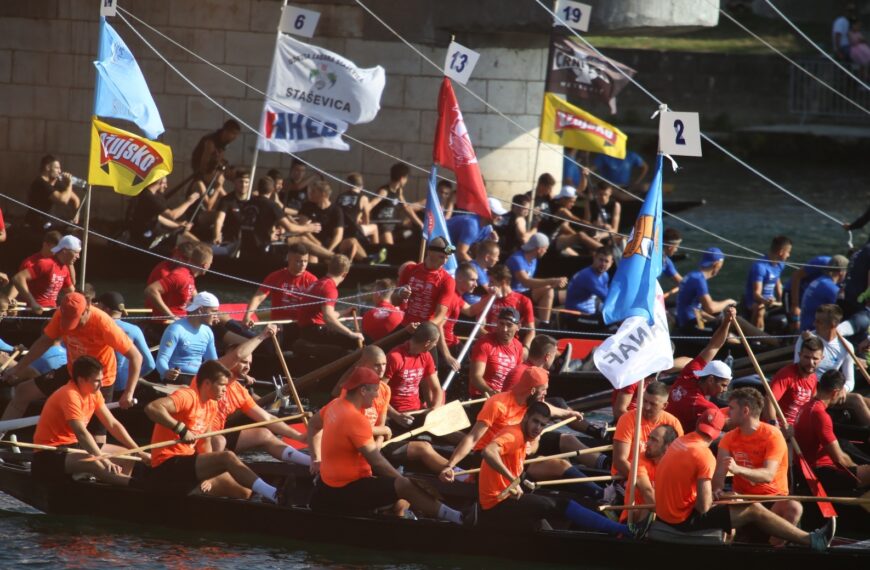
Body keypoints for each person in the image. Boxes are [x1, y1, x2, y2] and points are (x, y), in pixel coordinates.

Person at [654, 409, 833, 551]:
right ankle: (811, 540)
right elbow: (703, 507)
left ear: (697, 425)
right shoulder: (704, 455)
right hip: (681, 520)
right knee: (753, 508)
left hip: (667, 512)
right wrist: (724, 500)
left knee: (739, 501)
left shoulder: (680, 442)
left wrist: (723, 495)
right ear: (717, 433)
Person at [307, 366, 467, 522]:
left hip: (329, 485)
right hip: (347, 489)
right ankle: (457, 517)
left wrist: (316, 458)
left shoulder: (334, 405)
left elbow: (313, 425)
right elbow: (377, 462)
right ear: (363, 390)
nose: (377, 395)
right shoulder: (355, 419)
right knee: (404, 485)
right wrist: (404, 483)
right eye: (375, 390)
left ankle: (400, 513)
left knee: (402, 496)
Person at [0, 293, 142, 443]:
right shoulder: (60, 315)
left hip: (99, 380)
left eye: (76, 320)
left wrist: (128, 392)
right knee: (23, 391)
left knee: (98, 435)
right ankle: (1, 435)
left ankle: (95, 462)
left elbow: (136, 357)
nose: (72, 326)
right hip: (72, 370)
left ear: (87, 309)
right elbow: (44, 342)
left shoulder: (103, 323)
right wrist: (18, 369)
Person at [440, 367, 606, 491]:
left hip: (520, 450)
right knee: (560, 465)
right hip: (495, 457)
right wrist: (450, 465)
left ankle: (606, 466)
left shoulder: (533, 402)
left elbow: (549, 408)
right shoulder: (497, 404)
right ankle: (601, 494)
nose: (546, 393)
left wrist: (569, 413)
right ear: (533, 391)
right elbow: (472, 438)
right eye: (544, 390)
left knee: (567, 439)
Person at [477, 402, 631, 535]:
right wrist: (512, 479)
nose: (538, 428)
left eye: (542, 425)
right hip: (497, 501)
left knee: (555, 503)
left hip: (508, 492)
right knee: (562, 504)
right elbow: (488, 451)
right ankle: (624, 531)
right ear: (525, 417)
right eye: (535, 422)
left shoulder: (526, 436)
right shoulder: (514, 435)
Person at [140, 359, 281, 502]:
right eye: (221, 385)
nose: (225, 390)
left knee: (244, 492)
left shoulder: (212, 404)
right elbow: (152, 408)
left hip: (189, 462)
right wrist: (181, 429)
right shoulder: (187, 396)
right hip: (167, 464)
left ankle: (264, 497)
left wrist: (207, 474)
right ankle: (275, 494)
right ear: (207, 383)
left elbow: (205, 443)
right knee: (227, 457)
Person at [197, 328, 309, 499]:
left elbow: (267, 418)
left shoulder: (240, 390)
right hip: (198, 437)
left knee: (263, 433)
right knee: (219, 440)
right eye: (243, 362)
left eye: (249, 363)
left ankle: (311, 463)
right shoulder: (211, 376)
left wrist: (298, 436)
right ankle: (210, 476)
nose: (247, 366)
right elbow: (237, 355)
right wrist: (263, 335)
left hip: (218, 435)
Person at [331, 346, 450, 473]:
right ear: (363, 364)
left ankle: (456, 472)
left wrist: (379, 442)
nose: (382, 369)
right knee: (423, 448)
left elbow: (381, 425)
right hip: (358, 445)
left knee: (426, 445)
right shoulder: (352, 391)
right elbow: (351, 428)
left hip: (376, 442)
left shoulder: (385, 389)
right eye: (377, 365)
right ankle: (458, 476)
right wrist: (383, 434)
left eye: (384, 364)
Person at [31, 356, 147, 487]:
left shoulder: (94, 393)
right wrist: (104, 460)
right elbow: (81, 432)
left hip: (74, 446)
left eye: (101, 380)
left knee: (127, 456)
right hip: (50, 453)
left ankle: (122, 490)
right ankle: (134, 486)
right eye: (97, 381)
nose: (101, 385)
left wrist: (138, 450)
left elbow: (113, 424)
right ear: (81, 380)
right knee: (94, 462)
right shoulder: (69, 394)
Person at [714, 388, 800, 542]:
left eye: (732, 408)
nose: (728, 413)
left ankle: (775, 548)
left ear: (745, 411)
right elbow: (719, 479)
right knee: (727, 503)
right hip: (743, 499)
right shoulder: (728, 438)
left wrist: (737, 469)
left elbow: (768, 475)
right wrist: (719, 492)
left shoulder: (772, 435)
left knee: (794, 507)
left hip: (772, 500)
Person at [794, 370, 870, 494]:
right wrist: (858, 469)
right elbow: (840, 458)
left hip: (810, 467)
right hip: (822, 472)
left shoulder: (806, 406)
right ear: (835, 393)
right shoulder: (820, 415)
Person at [795, 305, 870, 427]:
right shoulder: (807, 340)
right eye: (815, 320)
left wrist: (844, 389)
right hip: (810, 389)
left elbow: (850, 380)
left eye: (819, 321)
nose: (814, 324)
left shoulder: (846, 346)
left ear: (833, 324)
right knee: (856, 399)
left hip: (831, 390)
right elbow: (797, 370)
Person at [668, 308, 735, 433]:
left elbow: (714, 346)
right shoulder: (704, 405)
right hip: (677, 440)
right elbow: (729, 426)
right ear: (710, 379)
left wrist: (726, 322)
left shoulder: (690, 373)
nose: (725, 389)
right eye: (723, 385)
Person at [243, 243, 317, 348]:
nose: (303, 265)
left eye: (305, 261)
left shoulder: (312, 280)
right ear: (289, 259)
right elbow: (258, 297)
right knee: (272, 342)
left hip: (300, 325)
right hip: (279, 325)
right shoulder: (275, 277)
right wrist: (247, 316)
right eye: (298, 261)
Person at [611, 381, 684, 487]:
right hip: (629, 478)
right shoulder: (627, 419)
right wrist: (645, 485)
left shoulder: (673, 423)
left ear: (665, 405)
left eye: (653, 404)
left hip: (659, 479)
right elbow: (620, 461)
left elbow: (678, 460)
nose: (646, 407)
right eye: (644, 401)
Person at [93, 292, 156, 400]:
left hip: (99, 383)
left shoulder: (95, 327)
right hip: (123, 386)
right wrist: (134, 378)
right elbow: (150, 364)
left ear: (105, 309)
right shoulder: (134, 330)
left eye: (98, 305)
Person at [295, 254, 363, 352]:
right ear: (344, 274)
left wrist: (344, 312)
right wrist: (350, 333)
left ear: (329, 268)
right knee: (358, 340)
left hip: (306, 330)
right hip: (314, 331)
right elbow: (328, 318)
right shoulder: (329, 288)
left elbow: (326, 315)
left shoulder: (318, 283)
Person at [619, 425, 679, 524]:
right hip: (634, 519)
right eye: (649, 438)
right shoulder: (640, 459)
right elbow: (647, 493)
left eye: (654, 440)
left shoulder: (676, 463)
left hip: (662, 516)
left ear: (668, 447)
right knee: (647, 508)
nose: (647, 443)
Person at [155, 292, 220, 384]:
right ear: (201, 310)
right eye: (213, 312)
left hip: (197, 378)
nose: (216, 316)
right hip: (176, 378)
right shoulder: (176, 329)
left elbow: (213, 363)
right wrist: (166, 372)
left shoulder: (208, 331)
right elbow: (161, 359)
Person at [506, 233, 567, 325]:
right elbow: (526, 282)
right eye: (545, 249)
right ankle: (545, 325)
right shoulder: (517, 259)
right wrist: (552, 281)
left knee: (564, 294)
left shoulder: (533, 260)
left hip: (527, 293)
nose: (546, 251)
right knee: (548, 290)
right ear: (539, 249)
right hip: (515, 295)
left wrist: (554, 284)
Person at [384, 323, 443, 416]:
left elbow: (437, 389)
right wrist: (395, 415)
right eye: (435, 342)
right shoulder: (395, 357)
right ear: (427, 343)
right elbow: (378, 392)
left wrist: (435, 409)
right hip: (396, 412)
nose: (435, 345)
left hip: (417, 410)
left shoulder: (426, 356)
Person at [397, 237, 455, 329]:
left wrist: (421, 328)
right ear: (430, 253)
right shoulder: (410, 269)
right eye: (441, 257)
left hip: (426, 330)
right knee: (378, 344)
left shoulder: (447, 280)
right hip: (405, 325)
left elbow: (440, 316)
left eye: (447, 258)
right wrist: (400, 293)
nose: (444, 262)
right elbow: (394, 301)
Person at [11, 234, 79, 313]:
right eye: (76, 252)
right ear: (65, 251)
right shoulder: (46, 264)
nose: (78, 256)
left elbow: (72, 291)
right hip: (34, 313)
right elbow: (18, 278)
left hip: (50, 311)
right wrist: (33, 303)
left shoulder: (64, 269)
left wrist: (87, 303)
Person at [299, 181, 365, 261]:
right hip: (313, 243)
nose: (310, 194)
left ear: (323, 194)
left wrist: (329, 251)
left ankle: (367, 261)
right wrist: (318, 245)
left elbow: (338, 235)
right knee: (312, 256)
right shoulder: (307, 207)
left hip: (331, 245)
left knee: (353, 242)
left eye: (313, 191)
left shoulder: (336, 210)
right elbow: (303, 229)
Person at [675, 247, 736, 334]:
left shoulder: (692, 275)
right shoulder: (699, 280)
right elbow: (710, 308)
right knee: (736, 324)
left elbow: (695, 308)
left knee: (726, 323)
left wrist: (714, 320)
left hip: (688, 321)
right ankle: (761, 340)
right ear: (716, 264)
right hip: (690, 326)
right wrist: (728, 302)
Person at [765, 336, 823, 426]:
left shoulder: (813, 378)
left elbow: (812, 403)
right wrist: (774, 424)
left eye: (815, 359)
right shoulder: (786, 375)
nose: (811, 362)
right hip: (778, 428)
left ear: (822, 359)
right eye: (806, 357)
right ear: (799, 355)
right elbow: (769, 400)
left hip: (797, 430)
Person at [144, 242, 213, 318]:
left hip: (181, 316)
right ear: (205, 266)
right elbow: (151, 290)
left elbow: (194, 296)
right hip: (166, 320)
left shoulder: (189, 275)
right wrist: (171, 316)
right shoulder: (180, 276)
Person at [129, 176, 201, 247]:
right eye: (165, 183)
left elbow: (159, 217)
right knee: (190, 244)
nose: (166, 186)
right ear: (159, 182)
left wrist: (178, 225)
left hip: (155, 230)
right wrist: (189, 201)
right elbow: (173, 215)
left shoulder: (155, 195)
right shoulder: (148, 197)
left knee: (194, 241)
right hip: (146, 235)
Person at [468, 308, 525, 397]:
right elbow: (475, 377)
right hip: (483, 395)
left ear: (518, 327)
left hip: (504, 397)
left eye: (509, 325)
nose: (504, 329)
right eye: (501, 324)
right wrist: (490, 391)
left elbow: (517, 376)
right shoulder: (484, 343)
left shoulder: (518, 346)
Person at [484, 264, 536, 352]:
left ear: (503, 282)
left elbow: (531, 331)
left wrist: (526, 348)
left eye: (492, 282)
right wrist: (495, 339)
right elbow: (479, 328)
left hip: (511, 345)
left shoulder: (523, 301)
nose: (489, 285)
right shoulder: (487, 299)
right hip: (488, 343)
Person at [744, 235, 792, 329]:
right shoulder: (760, 267)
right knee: (760, 308)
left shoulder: (780, 264)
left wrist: (782, 301)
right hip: (755, 302)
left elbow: (778, 284)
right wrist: (765, 301)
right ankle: (758, 339)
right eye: (788, 252)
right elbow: (756, 294)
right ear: (781, 252)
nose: (789, 255)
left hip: (771, 302)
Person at [25, 154, 82, 230]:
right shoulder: (40, 183)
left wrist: (75, 218)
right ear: (47, 167)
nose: (60, 171)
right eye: (57, 168)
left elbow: (76, 199)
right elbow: (62, 200)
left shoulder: (55, 182)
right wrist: (69, 184)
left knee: (75, 230)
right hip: (38, 222)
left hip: (51, 219)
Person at [369, 163, 422, 245]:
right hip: (382, 226)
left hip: (393, 225)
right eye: (406, 178)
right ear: (402, 179)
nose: (407, 180)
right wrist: (361, 216)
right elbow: (371, 205)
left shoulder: (399, 191)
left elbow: (406, 207)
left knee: (409, 233)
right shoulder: (384, 191)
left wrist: (420, 224)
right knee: (389, 245)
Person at [190, 119, 240, 197]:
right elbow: (203, 166)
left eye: (236, 134)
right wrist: (213, 175)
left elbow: (219, 158)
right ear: (226, 131)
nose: (235, 137)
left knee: (236, 175)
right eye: (233, 134)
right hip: (203, 171)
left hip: (215, 167)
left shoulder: (224, 142)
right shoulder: (210, 142)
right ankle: (227, 199)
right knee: (218, 183)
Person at [564, 247, 613, 324]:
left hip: (591, 311)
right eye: (600, 260)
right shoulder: (587, 276)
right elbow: (606, 298)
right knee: (611, 322)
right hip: (576, 316)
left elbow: (608, 297)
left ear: (611, 263)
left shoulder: (605, 275)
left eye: (606, 261)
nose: (603, 264)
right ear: (594, 258)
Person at [799, 255, 848, 331]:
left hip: (804, 326)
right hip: (813, 330)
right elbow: (844, 307)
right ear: (841, 272)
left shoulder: (820, 280)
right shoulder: (830, 288)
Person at [785, 254, 832, 330]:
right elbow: (796, 276)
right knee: (795, 325)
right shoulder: (821, 262)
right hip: (793, 291)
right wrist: (795, 305)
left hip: (809, 295)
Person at [336, 172, 379, 249]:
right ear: (361, 186)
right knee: (374, 227)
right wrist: (360, 220)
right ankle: (375, 251)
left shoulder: (340, 196)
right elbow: (366, 220)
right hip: (353, 230)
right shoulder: (363, 198)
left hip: (339, 228)